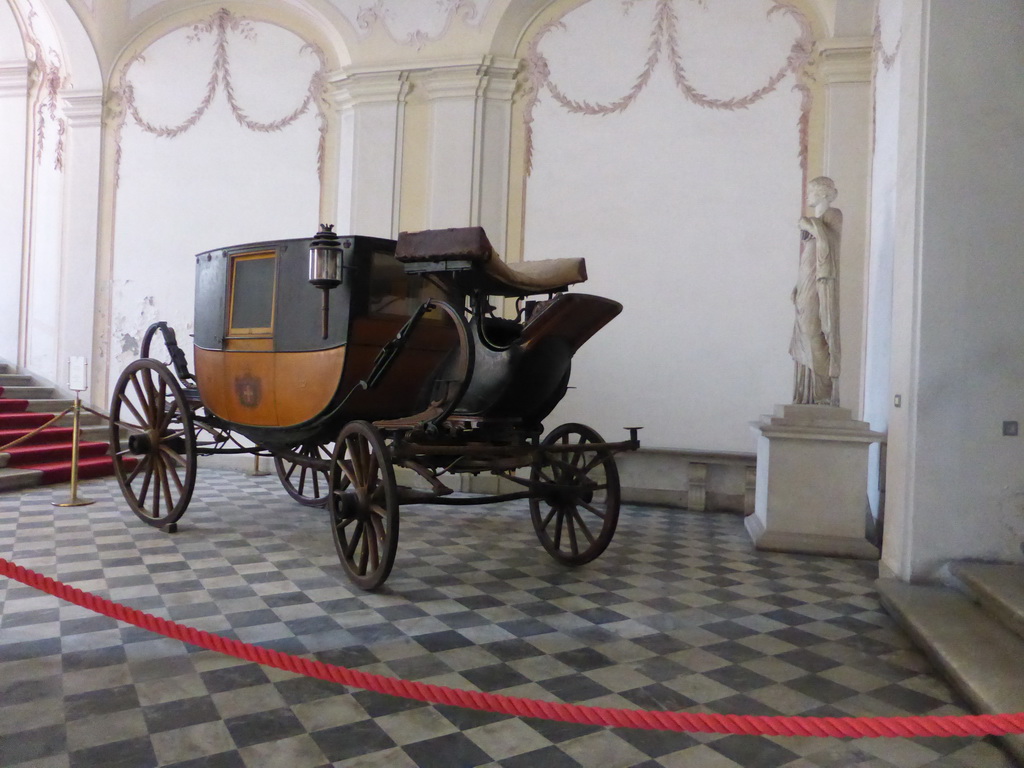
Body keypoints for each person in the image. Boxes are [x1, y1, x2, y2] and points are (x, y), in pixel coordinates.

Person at [789, 176, 842, 406]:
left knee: (814, 329)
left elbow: (828, 242)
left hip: (820, 281)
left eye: (811, 192)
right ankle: (807, 394)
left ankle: (823, 392)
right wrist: (798, 285)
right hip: (806, 280)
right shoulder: (816, 219)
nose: (807, 195)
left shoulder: (833, 215)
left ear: (822, 193)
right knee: (804, 330)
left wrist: (808, 224)